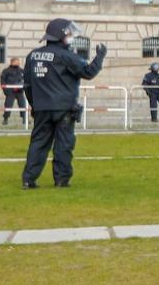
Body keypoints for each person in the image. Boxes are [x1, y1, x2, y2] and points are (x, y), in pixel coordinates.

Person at [20, 19, 106, 188]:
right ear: (61, 35)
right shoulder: (66, 56)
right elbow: (88, 72)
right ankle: (61, 179)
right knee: (63, 144)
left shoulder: (33, 56)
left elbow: (27, 85)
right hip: (64, 108)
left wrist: (34, 105)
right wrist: (100, 56)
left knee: (38, 143)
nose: (70, 37)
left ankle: (28, 179)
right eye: (68, 34)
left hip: (42, 108)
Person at [0, 57, 27, 125]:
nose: (18, 63)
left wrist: (22, 88)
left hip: (19, 91)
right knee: (8, 105)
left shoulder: (21, 70)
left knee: (23, 105)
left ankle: (24, 119)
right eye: (17, 62)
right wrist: (6, 91)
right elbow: (2, 81)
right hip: (10, 92)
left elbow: (25, 80)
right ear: (12, 62)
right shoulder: (6, 71)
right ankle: (5, 119)